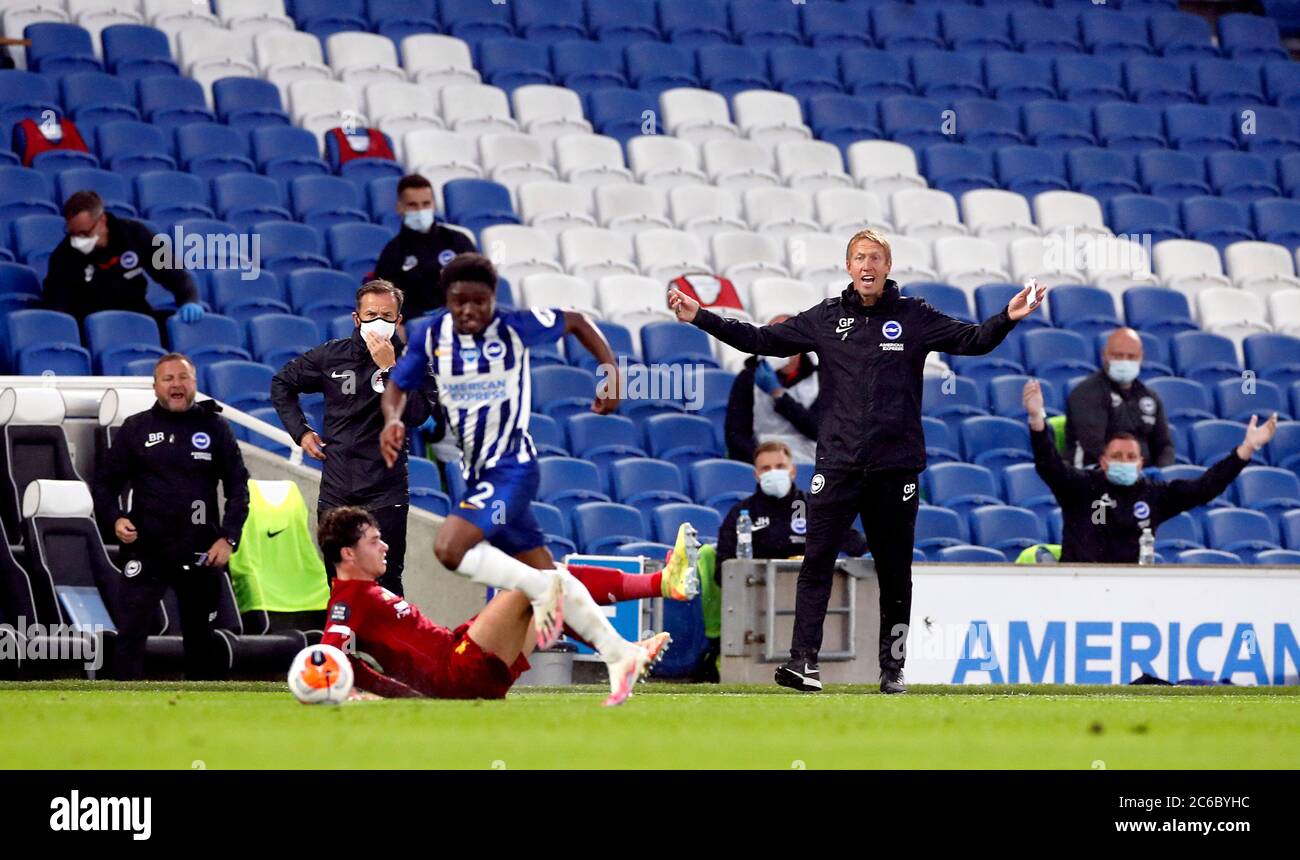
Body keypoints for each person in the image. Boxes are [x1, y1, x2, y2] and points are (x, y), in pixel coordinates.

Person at [668, 229, 1047, 694]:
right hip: (839, 465)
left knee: (895, 572)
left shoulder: (915, 315)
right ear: (848, 267)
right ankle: (803, 662)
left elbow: (972, 341)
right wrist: (701, 317)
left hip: (897, 467)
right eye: (859, 258)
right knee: (816, 562)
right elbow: (762, 339)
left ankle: (893, 670)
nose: (867, 266)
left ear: (888, 267)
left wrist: (1008, 316)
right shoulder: (826, 318)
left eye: (875, 258)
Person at [378, 252, 702, 694]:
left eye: (479, 301)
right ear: (446, 300)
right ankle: (620, 652)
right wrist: (393, 420)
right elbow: (398, 384)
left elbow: (576, 321)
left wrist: (609, 372)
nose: (468, 311)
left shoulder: (514, 327)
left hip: (511, 468)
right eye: (458, 302)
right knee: (551, 578)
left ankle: (552, 594)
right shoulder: (432, 333)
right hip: (476, 474)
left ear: (494, 299)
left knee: (450, 548)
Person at [317, 506, 680, 705]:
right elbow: (329, 657)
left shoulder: (365, 592)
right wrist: (388, 693)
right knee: (538, 577)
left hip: (460, 663)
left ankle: (638, 624)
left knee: (553, 584)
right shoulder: (348, 600)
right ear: (348, 553)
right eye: (374, 541)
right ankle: (651, 599)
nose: (385, 547)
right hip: (455, 673)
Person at [270, 279, 436, 595]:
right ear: (356, 318)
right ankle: (342, 646)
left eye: (388, 316)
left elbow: (416, 414)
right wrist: (301, 432)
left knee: (385, 581)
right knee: (338, 580)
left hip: (385, 491)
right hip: (337, 489)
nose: (379, 322)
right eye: (371, 314)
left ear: (399, 321)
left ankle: (384, 646)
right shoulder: (331, 357)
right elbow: (282, 384)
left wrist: (390, 368)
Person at [92, 353, 250, 680]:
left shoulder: (215, 427)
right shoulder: (136, 428)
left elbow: (238, 488)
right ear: (155, 387)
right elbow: (105, 484)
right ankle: (121, 712)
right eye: (168, 379)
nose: (176, 384)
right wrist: (115, 520)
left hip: (201, 552)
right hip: (146, 549)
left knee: (201, 641)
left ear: (194, 383)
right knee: (130, 635)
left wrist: (228, 538)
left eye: (183, 377)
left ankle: (200, 719)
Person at [1025, 379, 1277, 564]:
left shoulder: (1154, 495)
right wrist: (1037, 419)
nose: (1124, 461)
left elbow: (1205, 487)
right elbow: (1049, 465)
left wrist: (1246, 448)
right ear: (1102, 462)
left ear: (1140, 464)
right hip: (1076, 589)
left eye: (1130, 457)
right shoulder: (1081, 487)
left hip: (1132, 594)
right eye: (1116, 456)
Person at [689, 440, 869, 682]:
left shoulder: (814, 507)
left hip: (809, 599)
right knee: (707, 555)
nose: (774, 472)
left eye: (780, 466)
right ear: (756, 474)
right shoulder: (742, 514)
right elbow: (724, 571)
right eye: (766, 468)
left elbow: (855, 544)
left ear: (793, 470)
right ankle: (719, 646)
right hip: (754, 603)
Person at [42, 190, 204, 326]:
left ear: (102, 221)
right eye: (72, 233)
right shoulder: (63, 256)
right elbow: (58, 305)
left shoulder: (134, 233)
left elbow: (172, 270)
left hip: (137, 315)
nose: (78, 239)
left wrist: (188, 299)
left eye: (85, 233)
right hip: (94, 325)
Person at [1066, 327, 1176, 468]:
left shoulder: (1149, 397)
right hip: (1096, 474)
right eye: (1118, 356)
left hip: (1142, 478)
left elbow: (1165, 446)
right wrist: (1129, 471)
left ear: (1141, 357)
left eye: (1131, 357)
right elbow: (1094, 447)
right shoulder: (1086, 393)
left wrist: (1161, 475)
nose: (1125, 362)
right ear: (1104, 355)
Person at [373, 174, 476, 319]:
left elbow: (479, 284)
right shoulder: (392, 254)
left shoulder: (459, 241)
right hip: (418, 329)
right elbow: (385, 302)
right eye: (412, 205)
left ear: (434, 204)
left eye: (426, 204)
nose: (420, 210)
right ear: (399, 208)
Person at [724, 315, 820, 463]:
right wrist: (762, 461)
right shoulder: (748, 378)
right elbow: (736, 434)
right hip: (762, 463)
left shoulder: (820, 378)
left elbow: (820, 430)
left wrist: (779, 395)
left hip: (809, 463)